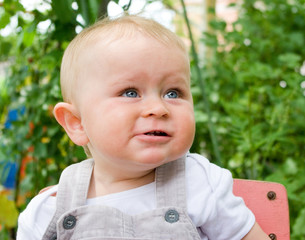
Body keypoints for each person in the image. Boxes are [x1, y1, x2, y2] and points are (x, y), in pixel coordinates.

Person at [17, 15, 269, 240]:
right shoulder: (49, 211)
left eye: (173, 92)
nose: (158, 108)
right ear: (77, 123)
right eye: (130, 92)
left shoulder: (200, 183)